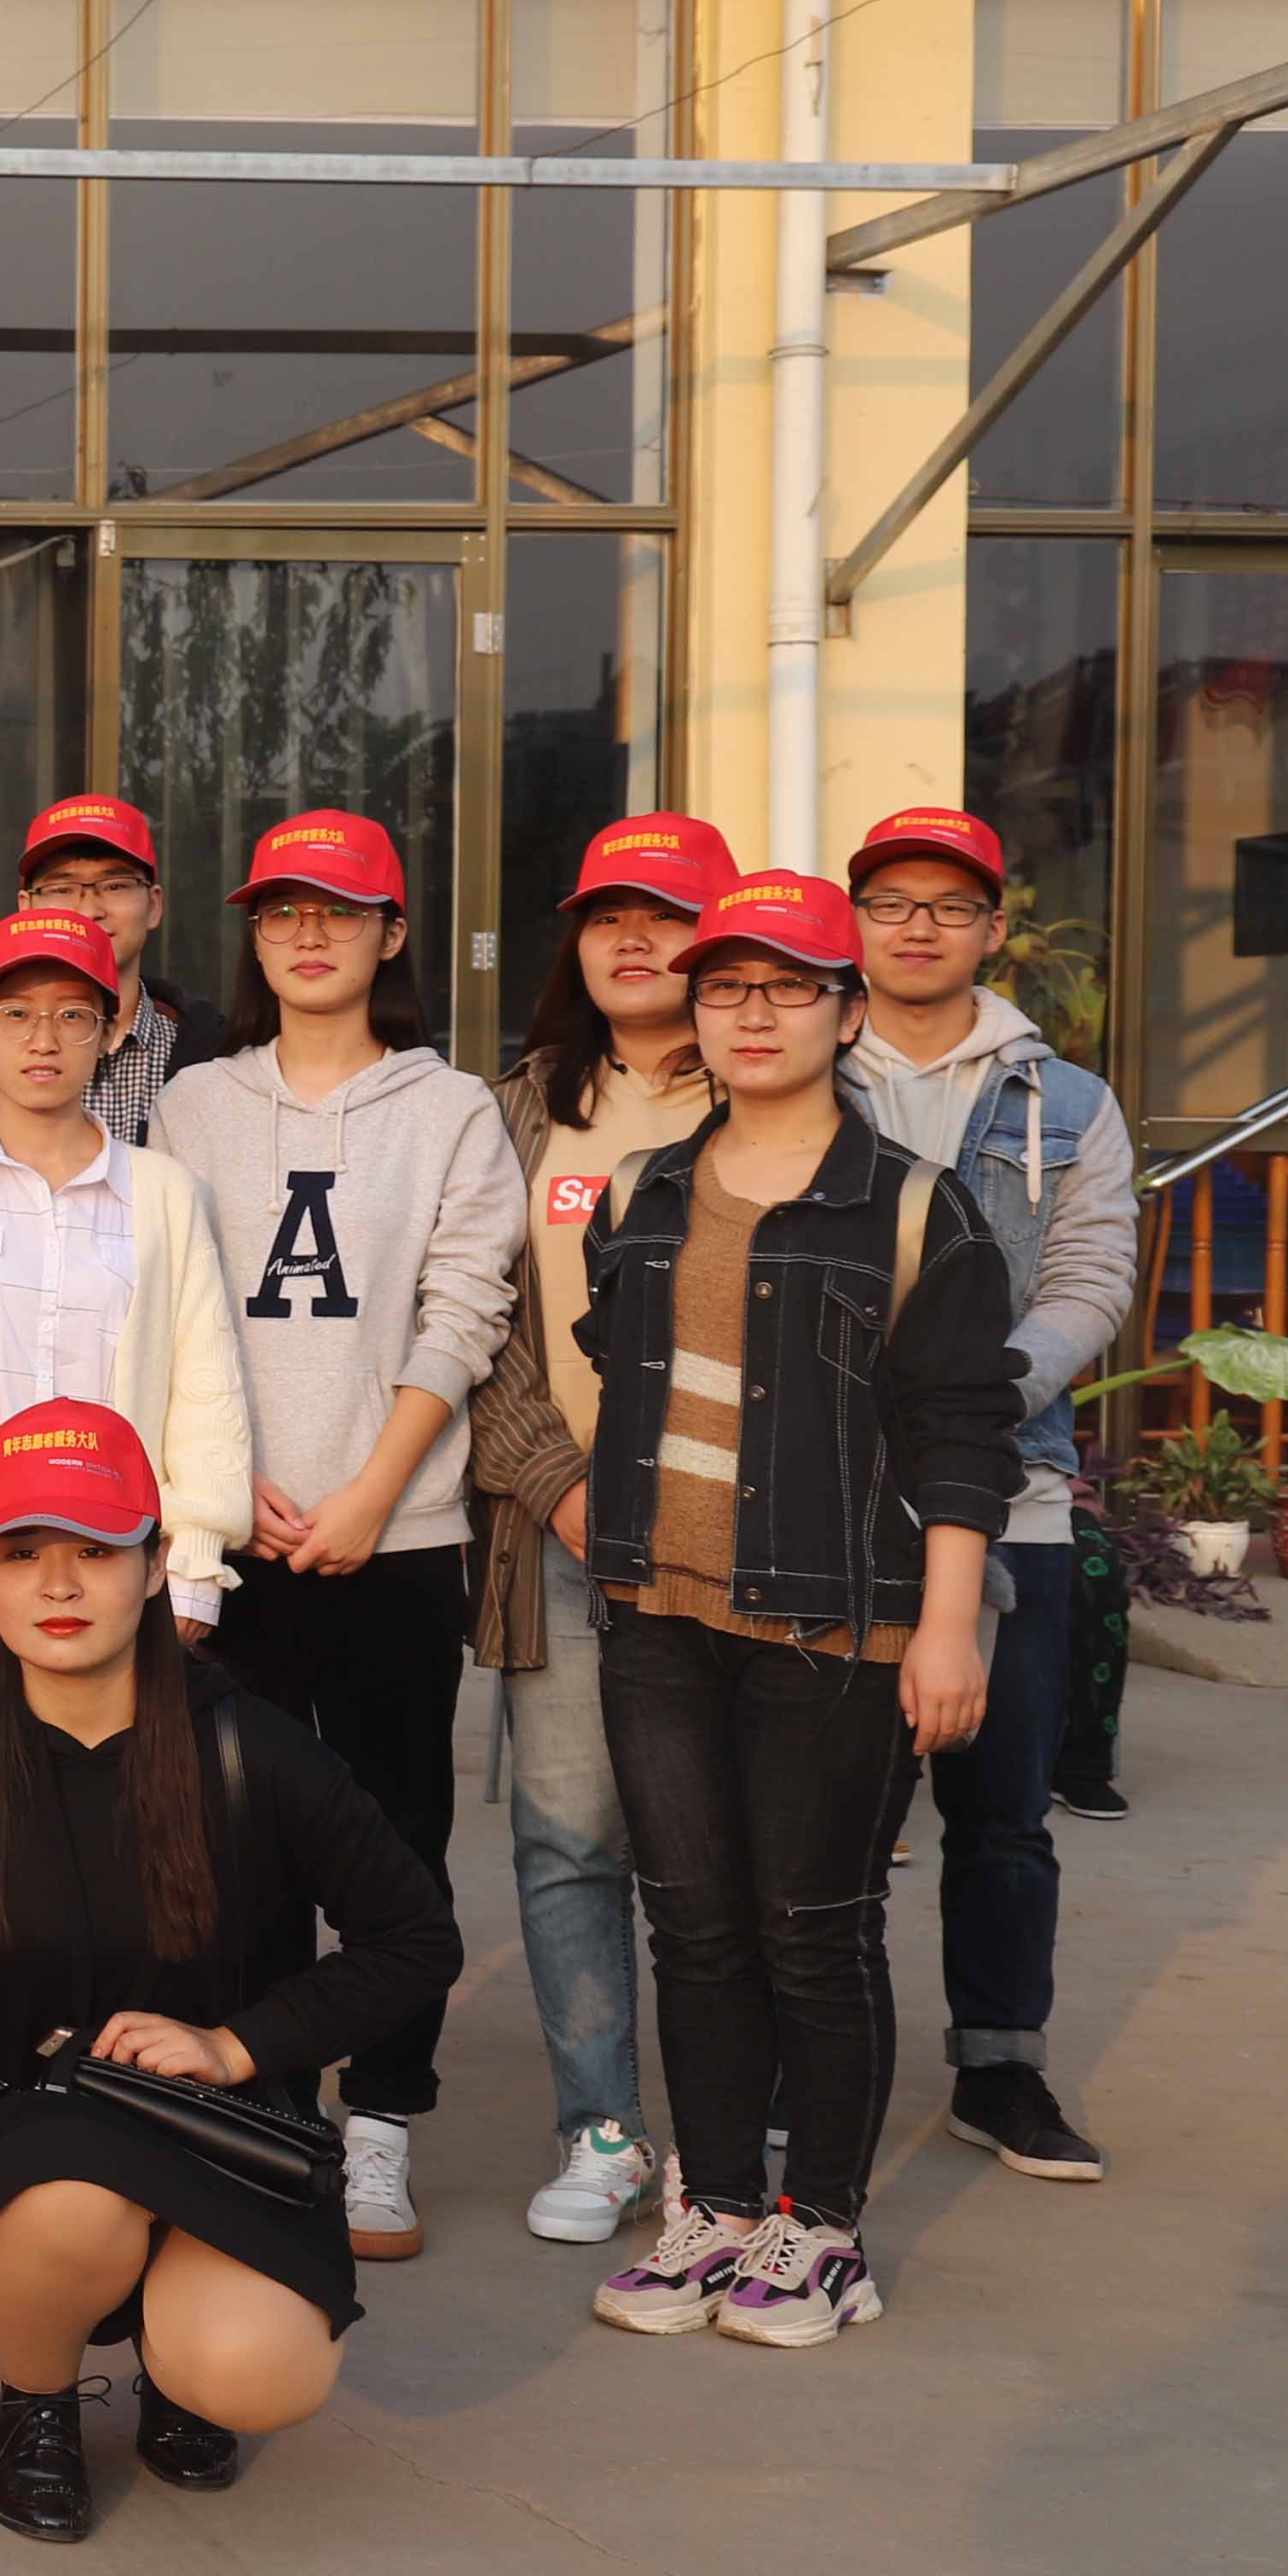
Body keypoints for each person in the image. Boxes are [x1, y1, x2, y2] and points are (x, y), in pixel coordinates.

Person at [0, 1404, 459, 2545]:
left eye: (96, 1548)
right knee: (71, 2207)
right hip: (19, 2129)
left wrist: (237, 2045)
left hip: (219, 2125)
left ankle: (181, 2372)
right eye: (22, 1552)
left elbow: (416, 1939)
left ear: (156, 1564)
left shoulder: (253, 1748)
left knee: (257, 2371)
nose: (59, 1583)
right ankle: (37, 2403)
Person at [579, 872, 1021, 2350]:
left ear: (844, 1013)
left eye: (787, 987)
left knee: (812, 1930)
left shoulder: (914, 1204)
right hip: (657, 1613)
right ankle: (712, 2208)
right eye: (725, 987)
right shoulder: (642, 1191)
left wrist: (946, 1625)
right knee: (694, 1927)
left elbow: (963, 1431)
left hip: (839, 1628)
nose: (752, 1014)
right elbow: (622, 1369)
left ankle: (820, 2229)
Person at [153, 808, 521, 2264]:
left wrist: (376, 1488)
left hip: (395, 1532)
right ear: (252, 937)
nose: (308, 934)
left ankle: (381, 2122)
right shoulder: (195, 1104)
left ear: (392, 933)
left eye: (339, 910)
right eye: (280, 911)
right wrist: (226, 1477)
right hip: (230, 1532)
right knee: (233, 1838)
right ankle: (266, 2107)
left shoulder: (450, 1109)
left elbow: (465, 1306)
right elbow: (168, 1303)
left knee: (392, 1839)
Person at [840, 804, 1137, 2175]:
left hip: (1013, 1494)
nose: (920, 926)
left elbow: (1092, 1281)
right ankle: (809, 2078)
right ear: (857, 921)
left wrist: (970, 1402)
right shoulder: (800, 1068)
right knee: (826, 1823)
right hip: (828, 1503)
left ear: (994, 928)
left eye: (950, 905)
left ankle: (1000, 2070)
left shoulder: (1068, 1105)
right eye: (893, 901)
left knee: (1003, 1817)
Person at [455, 809, 731, 2244]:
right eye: (606, 914)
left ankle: (731, 2137)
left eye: (666, 915)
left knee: (724, 1845)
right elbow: (482, 1320)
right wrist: (559, 1485)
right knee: (570, 1838)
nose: (632, 938)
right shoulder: (515, 1110)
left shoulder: (773, 1098)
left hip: (737, 1543)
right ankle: (603, 2130)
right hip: (562, 1530)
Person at [0, 908, 254, 1749]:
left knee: (115, 1802)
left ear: (109, 1033)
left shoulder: (166, 1194)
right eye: (16, 1014)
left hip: (117, 1584)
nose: (44, 1039)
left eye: (73, 1015)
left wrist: (195, 1559)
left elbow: (206, 1389)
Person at [0, 793, 232, 1163]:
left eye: (115, 885)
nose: (89, 910)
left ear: (154, 905)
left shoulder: (216, 1052)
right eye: (62, 889)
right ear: (25, 907)